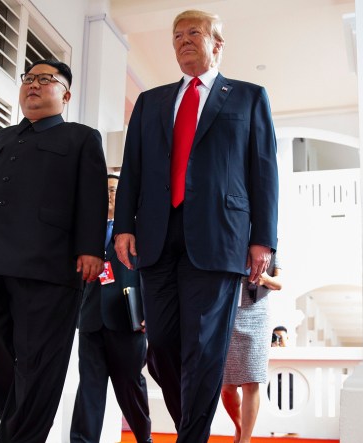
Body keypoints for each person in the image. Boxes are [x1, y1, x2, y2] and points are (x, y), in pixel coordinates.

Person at [113, 9, 279, 443]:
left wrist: (263, 239)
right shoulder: (152, 102)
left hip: (219, 238)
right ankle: (194, 424)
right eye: (177, 35)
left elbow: (263, 172)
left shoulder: (248, 97)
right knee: (163, 349)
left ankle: (191, 438)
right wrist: (124, 225)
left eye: (194, 33)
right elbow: (133, 168)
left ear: (217, 44)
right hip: (156, 235)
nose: (183, 40)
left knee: (205, 348)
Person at [0, 59, 107, 443]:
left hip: (48, 267)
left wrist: (91, 249)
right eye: (29, 79)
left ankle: (21, 433)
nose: (33, 85)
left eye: (45, 80)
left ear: (65, 95)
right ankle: (26, 423)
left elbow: (92, 196)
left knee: (38, 363)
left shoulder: (81, 138)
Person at [70, 174, 152, 443]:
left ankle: (144, 438)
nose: (110, 195)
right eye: (105, 190)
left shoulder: (139, 232)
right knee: (89, 390)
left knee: (130, 386)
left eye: (115, 189)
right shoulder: (85, 232)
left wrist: (148, 314)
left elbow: (151, 274)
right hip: (91, 319)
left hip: (127, 319)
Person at [221, 253, 282, 443]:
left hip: (257, 314)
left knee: (251, 380)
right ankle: (239, 428)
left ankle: (245, 439)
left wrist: (264, 278)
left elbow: (279, 283)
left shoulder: (269, 247)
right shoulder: (227, 240)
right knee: (226, 386)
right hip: (226, 313)